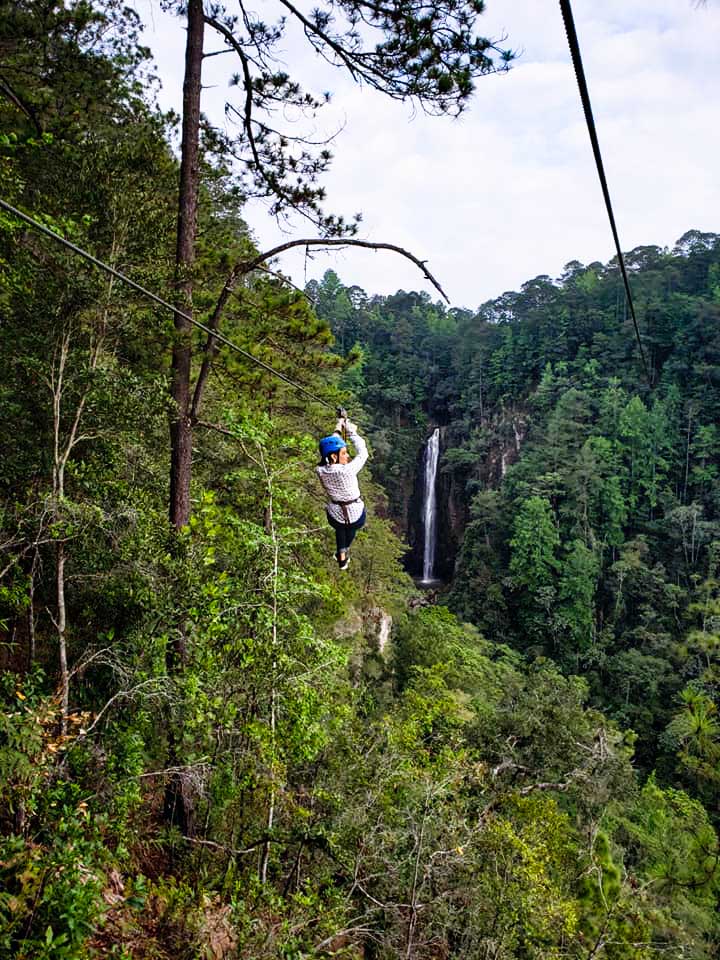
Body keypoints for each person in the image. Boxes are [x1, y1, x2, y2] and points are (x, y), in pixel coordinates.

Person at [316, 417, 368, 570]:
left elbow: (331, 442)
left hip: (334, 515)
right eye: (344, 453)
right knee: (352, 525)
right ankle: (343, 552)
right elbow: (363, 453)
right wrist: (351, 432)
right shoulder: (348, 470)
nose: (348, 456)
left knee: (341, 527)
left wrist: (339, 424)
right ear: (334, 456)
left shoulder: (320, 470)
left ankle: (342, 554)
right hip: (355, 515)